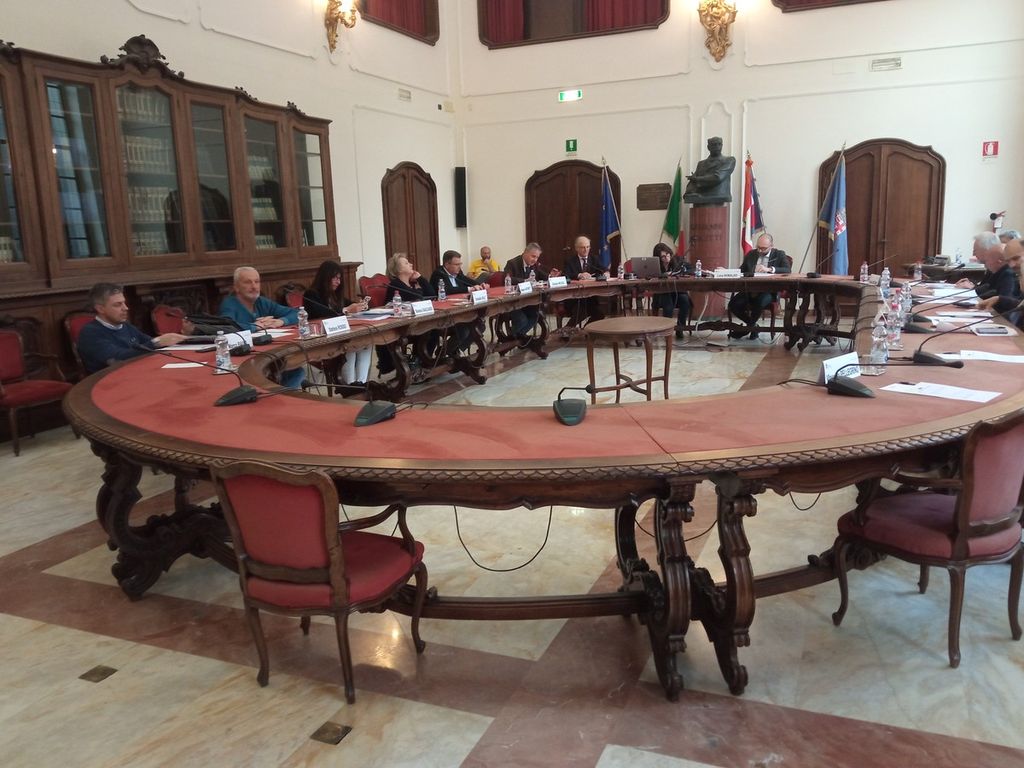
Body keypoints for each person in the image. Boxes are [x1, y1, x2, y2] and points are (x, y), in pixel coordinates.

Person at [219, 266, 304, 388]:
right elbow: (225, 326)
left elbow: (297, 313)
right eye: (248, 282)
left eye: (257, 282)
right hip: (242, 361)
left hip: (267, 354)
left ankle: (278, 395)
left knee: (296, 372)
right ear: (236, 287)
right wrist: (255, 326)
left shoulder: (262, 302)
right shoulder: (229, 304)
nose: (254, 286)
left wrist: (281, 321)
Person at [76, 283, 187, 374]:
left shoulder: (125, 326)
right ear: (100, 309)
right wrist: (156, 343)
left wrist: (173, 339)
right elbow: (118, 358)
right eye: (118, 305)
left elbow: (148, 342)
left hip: (137, 373)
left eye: (124, 303)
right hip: (108, 384)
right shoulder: (90, 333)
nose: (126, 308)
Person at [303, 260, 372, 386]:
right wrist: (346, 310)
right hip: (323, 340)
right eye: (335, 278)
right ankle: (351, 386)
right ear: (325, 277)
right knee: (350, 346)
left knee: (366, 343)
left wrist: (361, 305)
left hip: (340, 335)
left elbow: (350, 304)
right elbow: (324, 314)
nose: (338, 282)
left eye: (339, 279)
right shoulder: (311, 294)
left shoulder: (334, 295)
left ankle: (361, 384)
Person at [727, 233, 792, 339]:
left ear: (771, 246)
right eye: (758, 247)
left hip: (769, 291)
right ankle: (753, 327)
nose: (760, 251)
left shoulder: (779, 254)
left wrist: (770, 269)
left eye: (763, 248)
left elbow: (787, 270)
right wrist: (726, 272)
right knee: (733, 304)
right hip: (749, 289)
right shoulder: (751, 254)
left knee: (759, 302)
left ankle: (747, 329)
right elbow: (741, 270)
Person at [502, 243, 551, 340]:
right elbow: (508, 279)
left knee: (537, 315)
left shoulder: (534, 265)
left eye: (537, 257)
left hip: (528, 301)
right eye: (533, 256)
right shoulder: (512, 263)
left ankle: (516, 338)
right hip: (513, 302)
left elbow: (543, 275)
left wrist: (551, 276)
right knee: (522, 320)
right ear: (525, 253)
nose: (535, 260)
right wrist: (525, 281)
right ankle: (513, 339)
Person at [563, 235, 607, 327]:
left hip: (590, 299)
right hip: (574, 298)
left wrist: (606, 273)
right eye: (583, 247)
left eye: (588, 247)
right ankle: (567, 330)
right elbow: (565, 276)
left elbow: (603, 270)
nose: (586, 250)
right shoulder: (570, 261)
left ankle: (586, 330)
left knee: (600, 313)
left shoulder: (594, 259)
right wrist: (579, 275)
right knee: (582, 310)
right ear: (576, 248)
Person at [956, 232, 1015, 300]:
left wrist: (974, 288)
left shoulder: (1007, 272)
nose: (973, 254)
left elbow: (997, 295)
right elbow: (987, 287)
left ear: (986, 250)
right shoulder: (994, 266)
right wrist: (973, 284)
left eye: (975, 250)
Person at [977, 238, 1024, 323]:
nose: (1012, 265)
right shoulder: (1018, 274)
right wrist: (999, 299)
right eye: (1008, 261)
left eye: (1016, 258)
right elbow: (1021, 304)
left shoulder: (1008, 273)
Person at [652, 243, 692, 340]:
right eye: (663, 257)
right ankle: (667, 331)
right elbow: (649, 275)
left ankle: (680, 328)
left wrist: (682, 272)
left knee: (685, 300)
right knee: (668, 305)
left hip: (677, 292)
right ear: (658, 258)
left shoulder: (677, 261)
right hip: (662, 293)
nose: (667, 258)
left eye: (668, 254)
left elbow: (691, 268)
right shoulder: (655, 265)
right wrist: (664, 274)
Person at [683, 136, 736, 205]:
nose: (717, 147)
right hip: (699, 198)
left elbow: (718, 177)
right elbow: (693, 181)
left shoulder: (729, 160)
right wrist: (689, 191)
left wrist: (697, 179)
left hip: (718, 195)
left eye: (719, 144)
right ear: (708, 147)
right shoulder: (701, 164)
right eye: (714, 144)